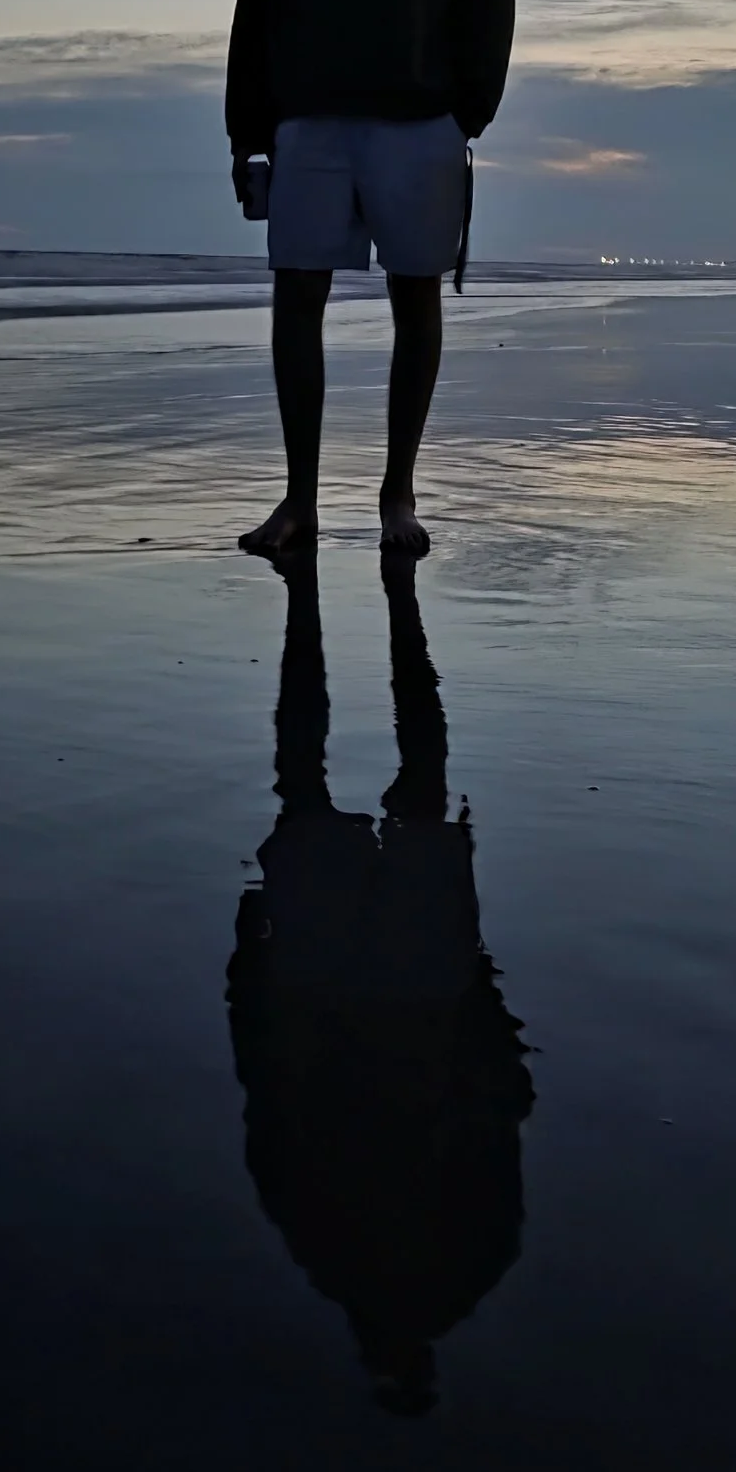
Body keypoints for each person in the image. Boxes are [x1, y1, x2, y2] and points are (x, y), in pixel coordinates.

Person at [225, 550, 534, 1414]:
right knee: (390, 795)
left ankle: (330, 590)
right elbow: (503, 1103)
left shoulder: (337, 1246)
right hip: (407, 993)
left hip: (357, 991)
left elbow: (266, 1095)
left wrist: (249, 965)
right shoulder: (456, 1255)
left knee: (327, 791)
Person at [224, 0, 515, 557]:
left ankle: (397, 496)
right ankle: (299, 501)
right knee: (296, 293)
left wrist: (473, 104)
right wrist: (248, 130)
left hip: (422, 112)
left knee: (414, 298)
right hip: (308, 113)